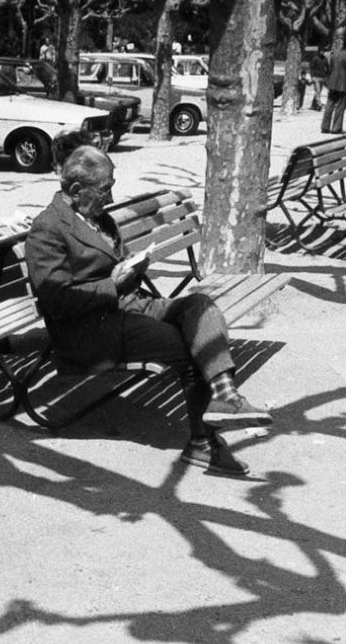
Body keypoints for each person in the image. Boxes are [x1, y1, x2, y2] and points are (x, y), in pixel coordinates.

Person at [24, 146, 273, 472]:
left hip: (127, 306)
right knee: (187, 346)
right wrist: (114, 285)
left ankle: (226, 394)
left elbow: (116, 265)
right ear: (75, 190)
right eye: (104, 190)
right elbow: (56, 300)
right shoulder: (49, 228)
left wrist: (131, 268)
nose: (111, 198)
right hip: (88, 330)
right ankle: (203, 443)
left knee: (199, 305)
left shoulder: (99, 217)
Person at [0, 130, 97, 298]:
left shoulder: (67, 202)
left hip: (57, 285)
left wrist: (33, 229)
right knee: (0, 247)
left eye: (56, 164)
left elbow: (53, 233)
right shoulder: (95, 197)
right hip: (76, 271)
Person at [321, 36, 346, 133]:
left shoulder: (334, 54)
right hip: (342, 84)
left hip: (332, 82)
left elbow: (329, 68)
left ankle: (325, 127)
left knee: (329, 105)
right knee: (340, 106)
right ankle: (336, 128)